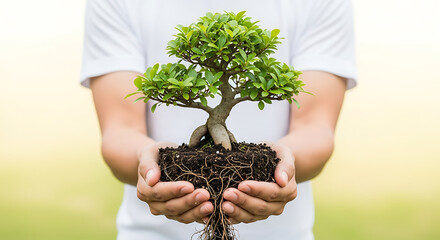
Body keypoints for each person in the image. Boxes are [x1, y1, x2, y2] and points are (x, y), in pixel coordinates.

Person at [80, 0, 356, 239]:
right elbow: (120, 128)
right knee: (216, 118)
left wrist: (285, 162)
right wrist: (145, 160)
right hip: (149, 234)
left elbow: (315, 126)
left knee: (219, 115)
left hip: (283, 235)